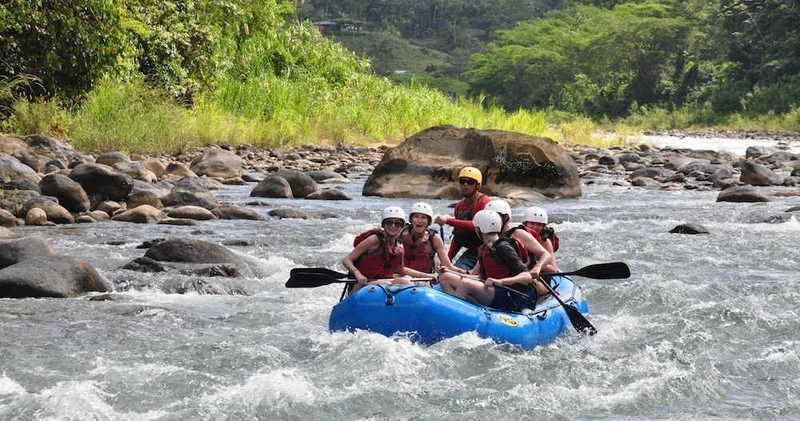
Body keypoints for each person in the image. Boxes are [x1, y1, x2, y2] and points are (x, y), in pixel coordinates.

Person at [436, 210, 535, 311]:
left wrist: (501, 281)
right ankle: (467, 310)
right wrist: (450, 271)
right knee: (446, 277)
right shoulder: (483, 248)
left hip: (510, 295)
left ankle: (455, 313)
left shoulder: (503, 247)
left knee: (465, 284)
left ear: (479, 229)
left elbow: (527, 277)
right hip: (493, 291)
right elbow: (480, 277)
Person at [484, 199, 553, 298]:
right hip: (504, 282)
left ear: (506, 217)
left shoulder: (518, 233)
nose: (491, 220)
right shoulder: (489, 237)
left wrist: (537, 268)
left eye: (496, 216)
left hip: (527, 282)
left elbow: (546, 254)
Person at [433, 166, 492, 271]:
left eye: (470, 182)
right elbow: (458, 235)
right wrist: (447, 259)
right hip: (473, 251)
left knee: (456, 274)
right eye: (462, 181)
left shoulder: (484, 202)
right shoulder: (459, 206)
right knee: (449, 271)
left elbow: (478, 226)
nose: (465, 185)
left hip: (488, 250)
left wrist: (448, 220)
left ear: (478, 185)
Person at [342, 206, 411, 293]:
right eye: (389, 223)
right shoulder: (374, 239)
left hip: (383, 283)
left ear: (402, 226)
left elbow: (401, 270)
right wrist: (358, 274)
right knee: (387, 283)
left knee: (407, 280)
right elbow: (346, 260)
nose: (393, 226)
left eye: (397, 224)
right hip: (362, 285)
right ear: (383, 224)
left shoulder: (399, 246)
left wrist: (426, 275)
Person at [400, 202, 463, 279]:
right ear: (411, 219)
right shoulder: (401, 233)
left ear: (428, 221)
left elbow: (448, 266)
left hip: (425, 279)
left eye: (423, 218)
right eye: (416, 217)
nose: (419, 220)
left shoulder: (434, 238)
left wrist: (463, 272)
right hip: (401, 277)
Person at [522, 206, 559, 273]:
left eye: (539, 224)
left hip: (539, 275)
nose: (535, 227)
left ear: (543, 226)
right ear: (525, 223)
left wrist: (535, 264)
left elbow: (553, 269)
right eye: (532, 223)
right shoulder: (517, 235)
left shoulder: (545, 242)